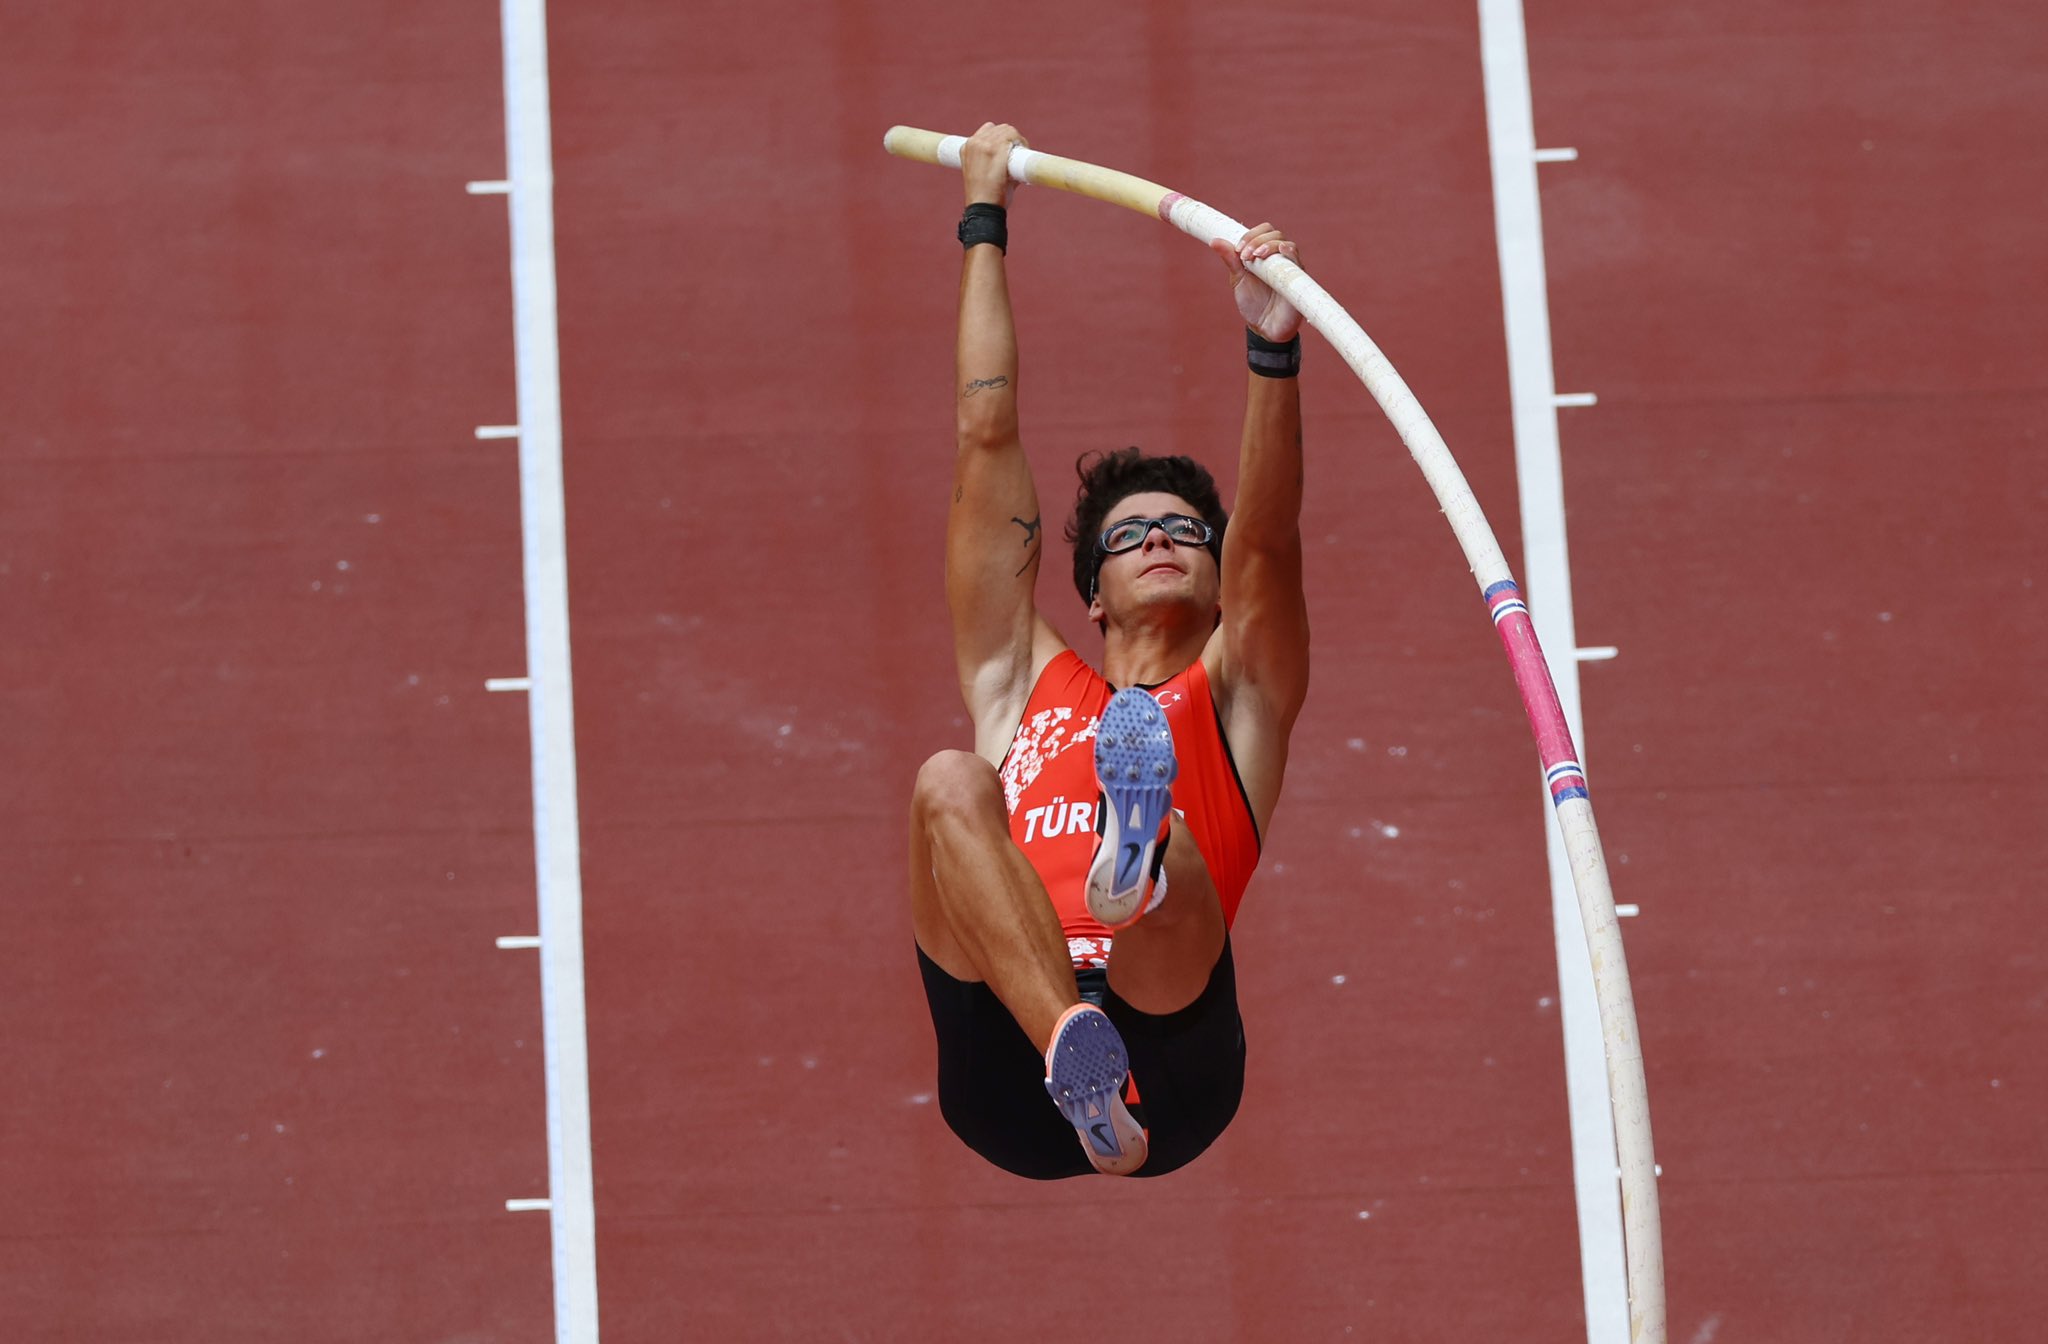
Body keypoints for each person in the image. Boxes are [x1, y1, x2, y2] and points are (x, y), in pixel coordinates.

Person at [908, 122, 1311, 1179]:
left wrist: (1271, 345)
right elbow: (980, 438)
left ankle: (1130, 872)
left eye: (1185, 532)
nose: (1163, 541)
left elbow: (1267, 541)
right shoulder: (1018, 681)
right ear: (1088, 593)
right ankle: (1067, 1051)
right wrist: (983, 220)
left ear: (1216, 579)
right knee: (949, 782)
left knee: (1172, 846)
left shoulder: (1240, 697)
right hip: (1012, 1058)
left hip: (1169, 1061)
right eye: (1132, 535)